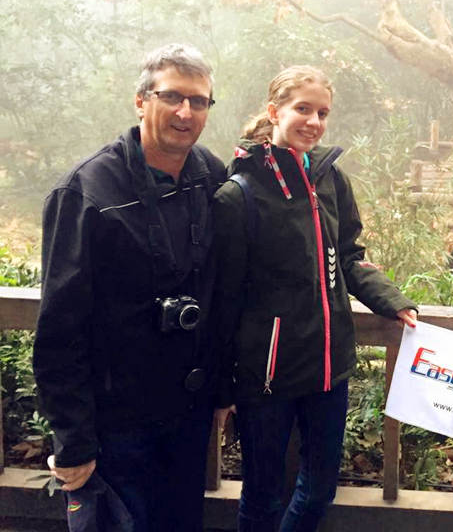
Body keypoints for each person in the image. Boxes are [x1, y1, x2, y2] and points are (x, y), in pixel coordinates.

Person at [211, 65, 418, 532]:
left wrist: (391, 300)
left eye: (322, 112)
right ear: (274, 111)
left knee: (321, 486)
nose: (314, 121)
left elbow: (349, 254)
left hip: (330, 365)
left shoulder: (330, 177)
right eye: (302, 109)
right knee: (262, 494)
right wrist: (223, 387)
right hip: (268, 374)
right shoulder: (238, 194)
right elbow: (223, 300)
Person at [33, 43, 226, 531]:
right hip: (114, 422)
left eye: (199, 101)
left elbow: (227, 288)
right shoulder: (86, 191)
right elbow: (59, 328)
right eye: (172, 97)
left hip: (187, 410)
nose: (186, 112)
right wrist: (72, 441)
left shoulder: (212, 177)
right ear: (141, 101)